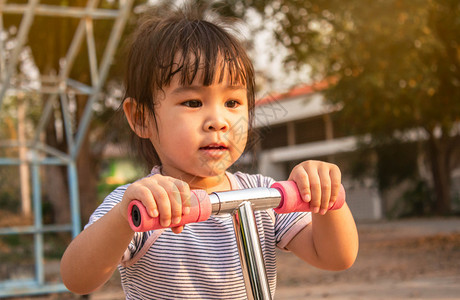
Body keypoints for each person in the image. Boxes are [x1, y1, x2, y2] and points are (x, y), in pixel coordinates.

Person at [60, 6, 358, 300]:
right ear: (141, 118)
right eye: (192, 102)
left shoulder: (263, 195)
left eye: (232, 103)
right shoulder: (142, 204)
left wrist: (327, 200)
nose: (219, 120)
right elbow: (77, 278)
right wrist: (124, 219)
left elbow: (335, 257)